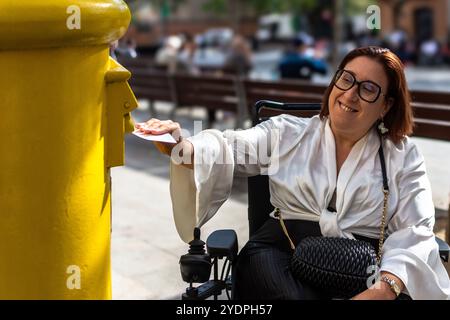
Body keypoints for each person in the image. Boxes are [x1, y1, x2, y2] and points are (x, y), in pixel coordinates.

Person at [135, 46, 450, 300]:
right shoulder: (287, 132)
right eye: (346, 79)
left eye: (368, 88)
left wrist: (384, 289)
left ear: (385, 105)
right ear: (334, 83)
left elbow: (416, 230)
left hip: (358, 266)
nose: (350, 94)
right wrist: (182, 145)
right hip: (278, 252)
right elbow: (228, 146)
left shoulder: (402, 154)